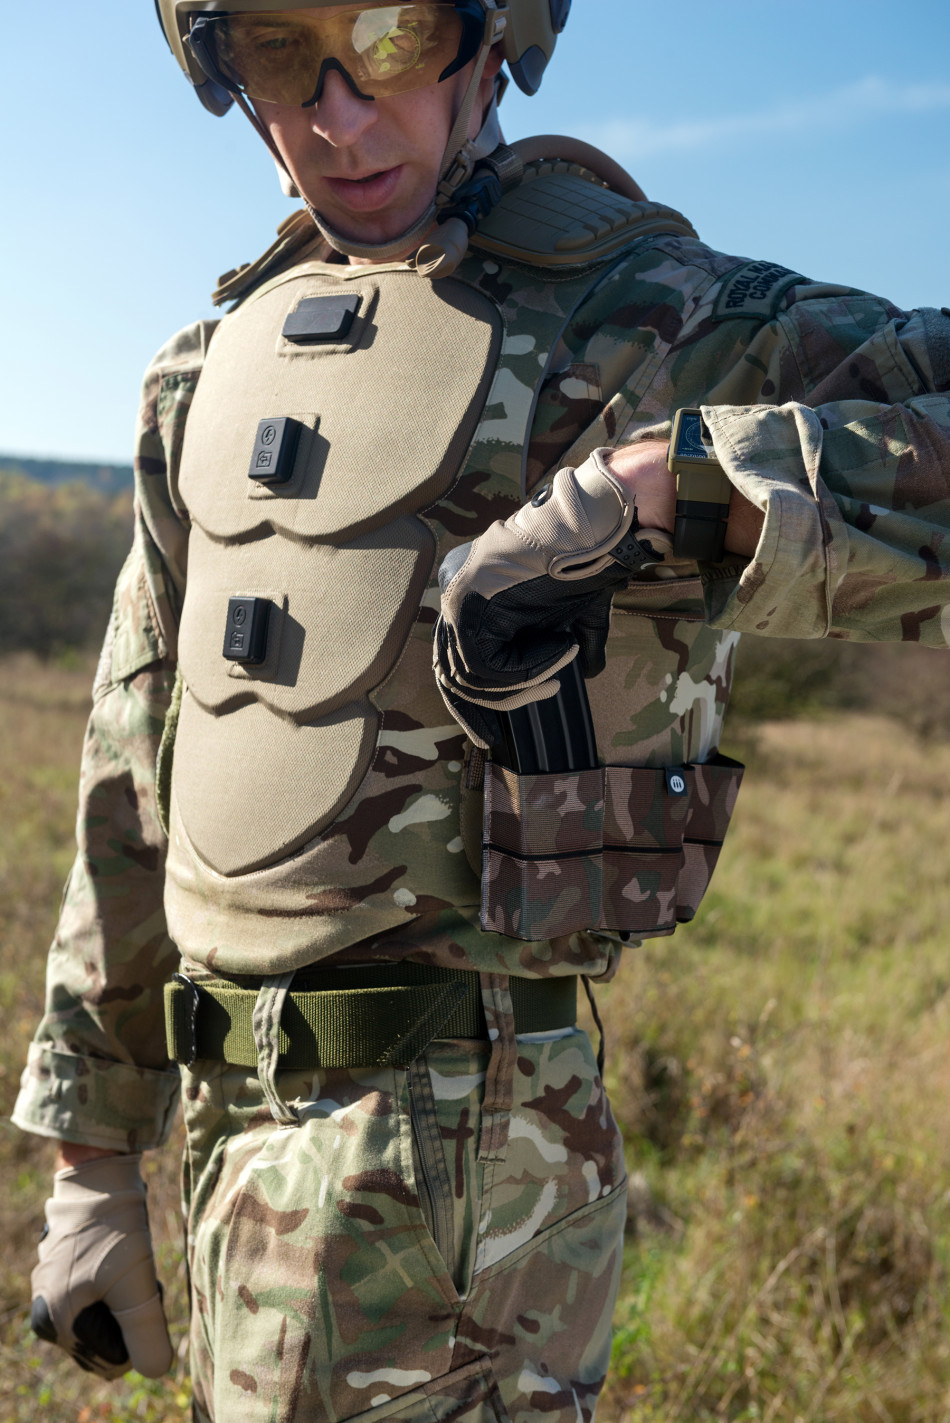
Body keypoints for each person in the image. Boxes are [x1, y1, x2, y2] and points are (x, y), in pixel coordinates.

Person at [14, 2, 950, 1420]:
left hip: (461, 1158)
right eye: (278, 55)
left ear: (491, 36)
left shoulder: (650, 317)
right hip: (226, 1141)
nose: (336, 114)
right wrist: (89, 1159)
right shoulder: (200, 371)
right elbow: (134, 752)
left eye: (389, 38)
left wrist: (676, 493)